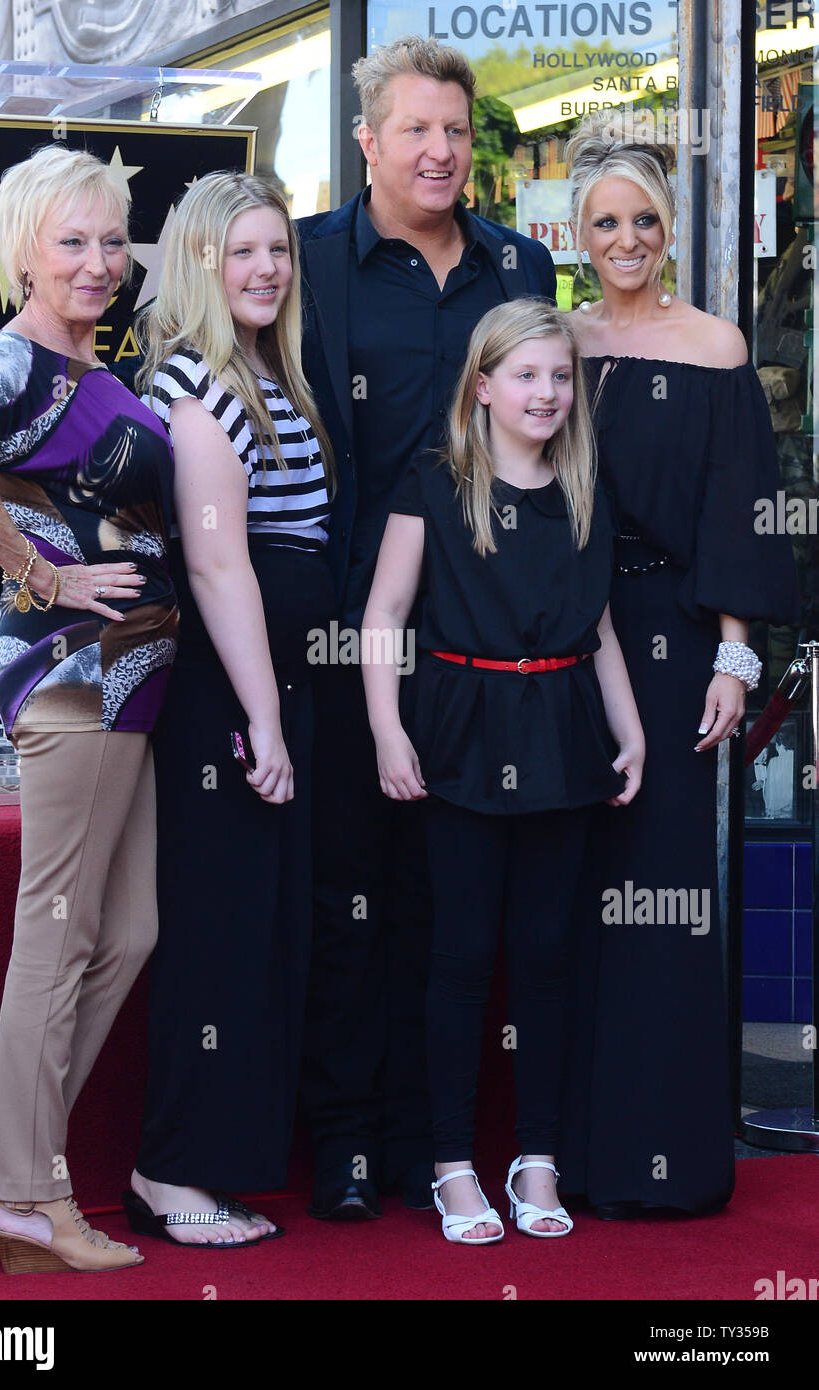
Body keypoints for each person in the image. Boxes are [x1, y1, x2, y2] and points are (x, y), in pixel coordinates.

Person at [296, 33, 558, 1219]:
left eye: (455, 130)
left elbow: (561, 446)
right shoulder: (309, 266)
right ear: (367, 141)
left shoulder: (521, 266)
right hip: (349, 639)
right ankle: (348, 1144)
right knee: (349, 894)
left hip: (490, 655)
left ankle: (431, 1145)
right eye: (416, 129)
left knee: (443, 911)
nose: (441, 150)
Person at [0, 145, 179, 1272]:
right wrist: (47, 576)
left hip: (130, 686)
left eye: (113, 240)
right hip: (72, 674)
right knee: (56, 937)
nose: (99, 261)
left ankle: (11, 1175)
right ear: (23, 249)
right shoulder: (15, 358)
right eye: (72, 240)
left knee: (125, 932)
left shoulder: (97, 366)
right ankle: (29, 1192)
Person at [557, 114, 800, 1217]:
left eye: (643, 219)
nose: (625, 238)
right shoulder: (555, 346)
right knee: (559, 896)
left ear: (671, 229)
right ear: (574, 233)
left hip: (669, 642)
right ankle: (563, 1151)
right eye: (605, 220)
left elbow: (739, 517)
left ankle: (663, 1161)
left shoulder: (716, 349)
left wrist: (733, 658)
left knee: (661, 895)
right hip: (552, 639)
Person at [361, 298, 644, 1243]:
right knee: (459, 957)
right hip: (461, 731)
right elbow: (383, 617)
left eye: (560, 376)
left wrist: (629, 727)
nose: (546, 392)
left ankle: (538, 1159)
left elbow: (599, 626)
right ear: (482, 387)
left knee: (548, 958)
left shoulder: (585, 488)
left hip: (562, 732)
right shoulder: (435, 482)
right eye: (525, 375)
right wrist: (387, 733)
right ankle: (450, 1163)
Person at [123, 171, 335, 1246]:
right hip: (227, 697)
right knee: (218, 934)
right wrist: (266, 721)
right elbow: (216, 567)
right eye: (238, 252)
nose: (264, 269)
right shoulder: (196, 382)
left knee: (262, 933)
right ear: (198, 263)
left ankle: (213, 1162)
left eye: (278, 251)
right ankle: (172, 1172)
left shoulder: (271, 370)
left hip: (276, 685)